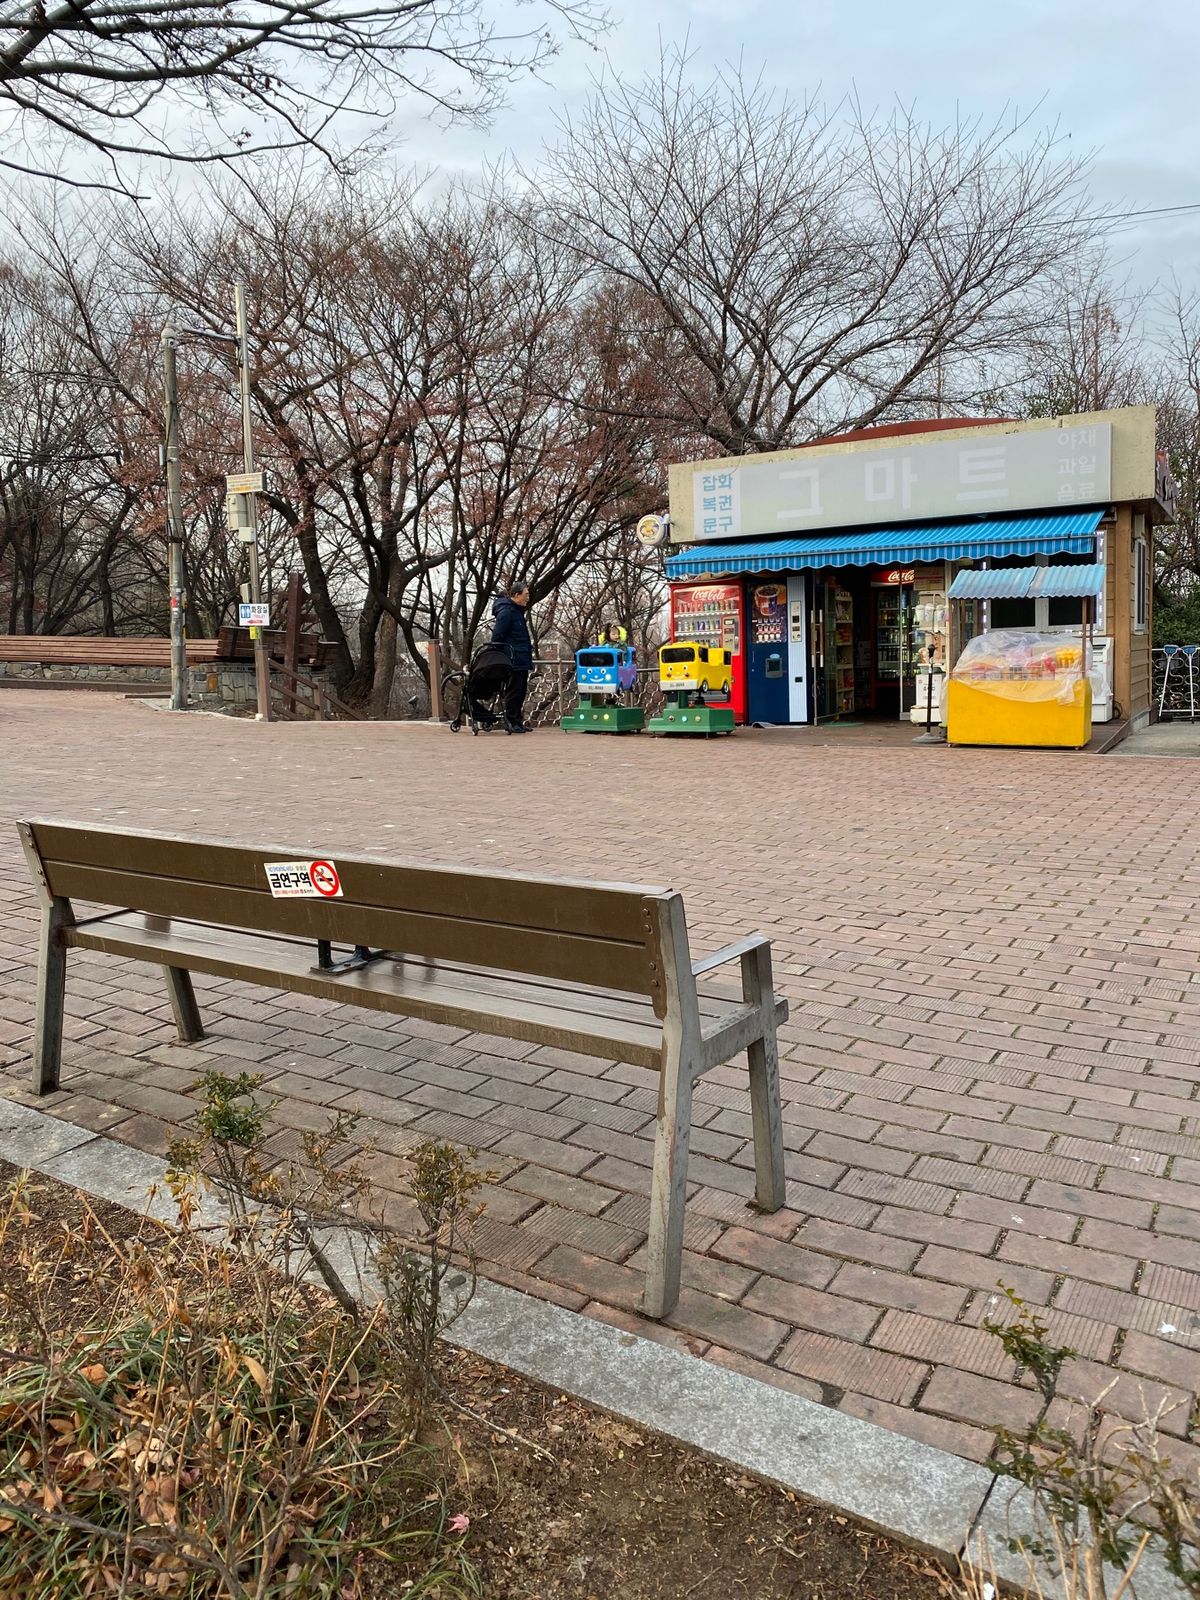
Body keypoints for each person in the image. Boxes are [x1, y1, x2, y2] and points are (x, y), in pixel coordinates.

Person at [490, 579, 533, 731]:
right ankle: (511, 722)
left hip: (521, 658)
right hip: (513, 658)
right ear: (516, 595)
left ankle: (517, 721)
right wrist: (503, 655)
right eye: (526, 594)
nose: (528, 597)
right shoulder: (507, 612)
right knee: (514, 691)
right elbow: (497, 636)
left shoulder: (517, 612)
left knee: (521, 691)